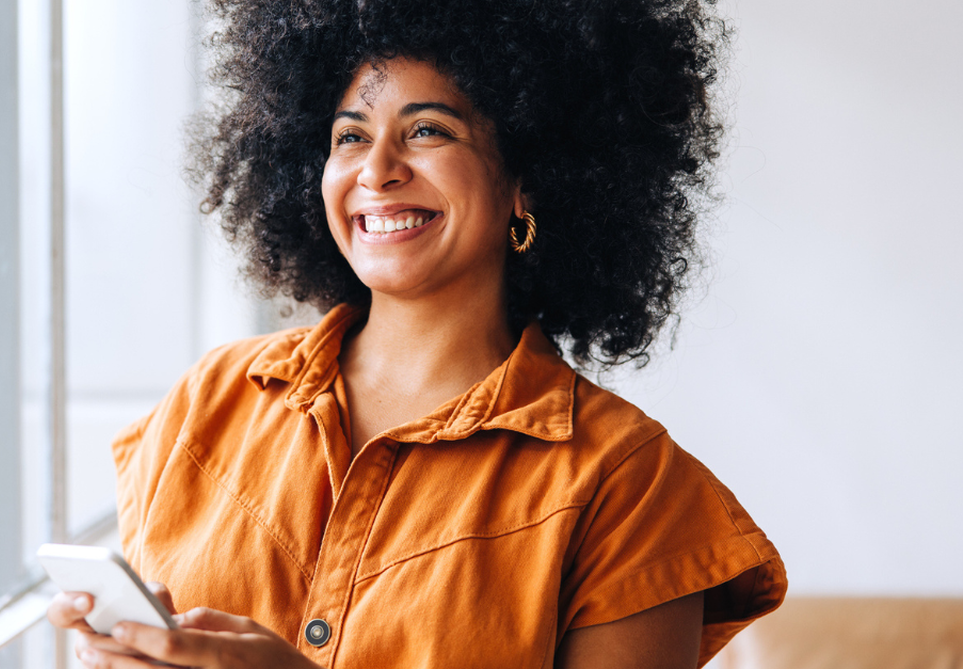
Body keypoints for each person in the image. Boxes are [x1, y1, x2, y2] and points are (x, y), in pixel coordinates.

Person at [48, 0, 786, 666]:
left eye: (427, 130)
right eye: (349, 135)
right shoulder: (211, 400)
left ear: (529, 176)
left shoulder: (628, 485)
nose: (377, 170)